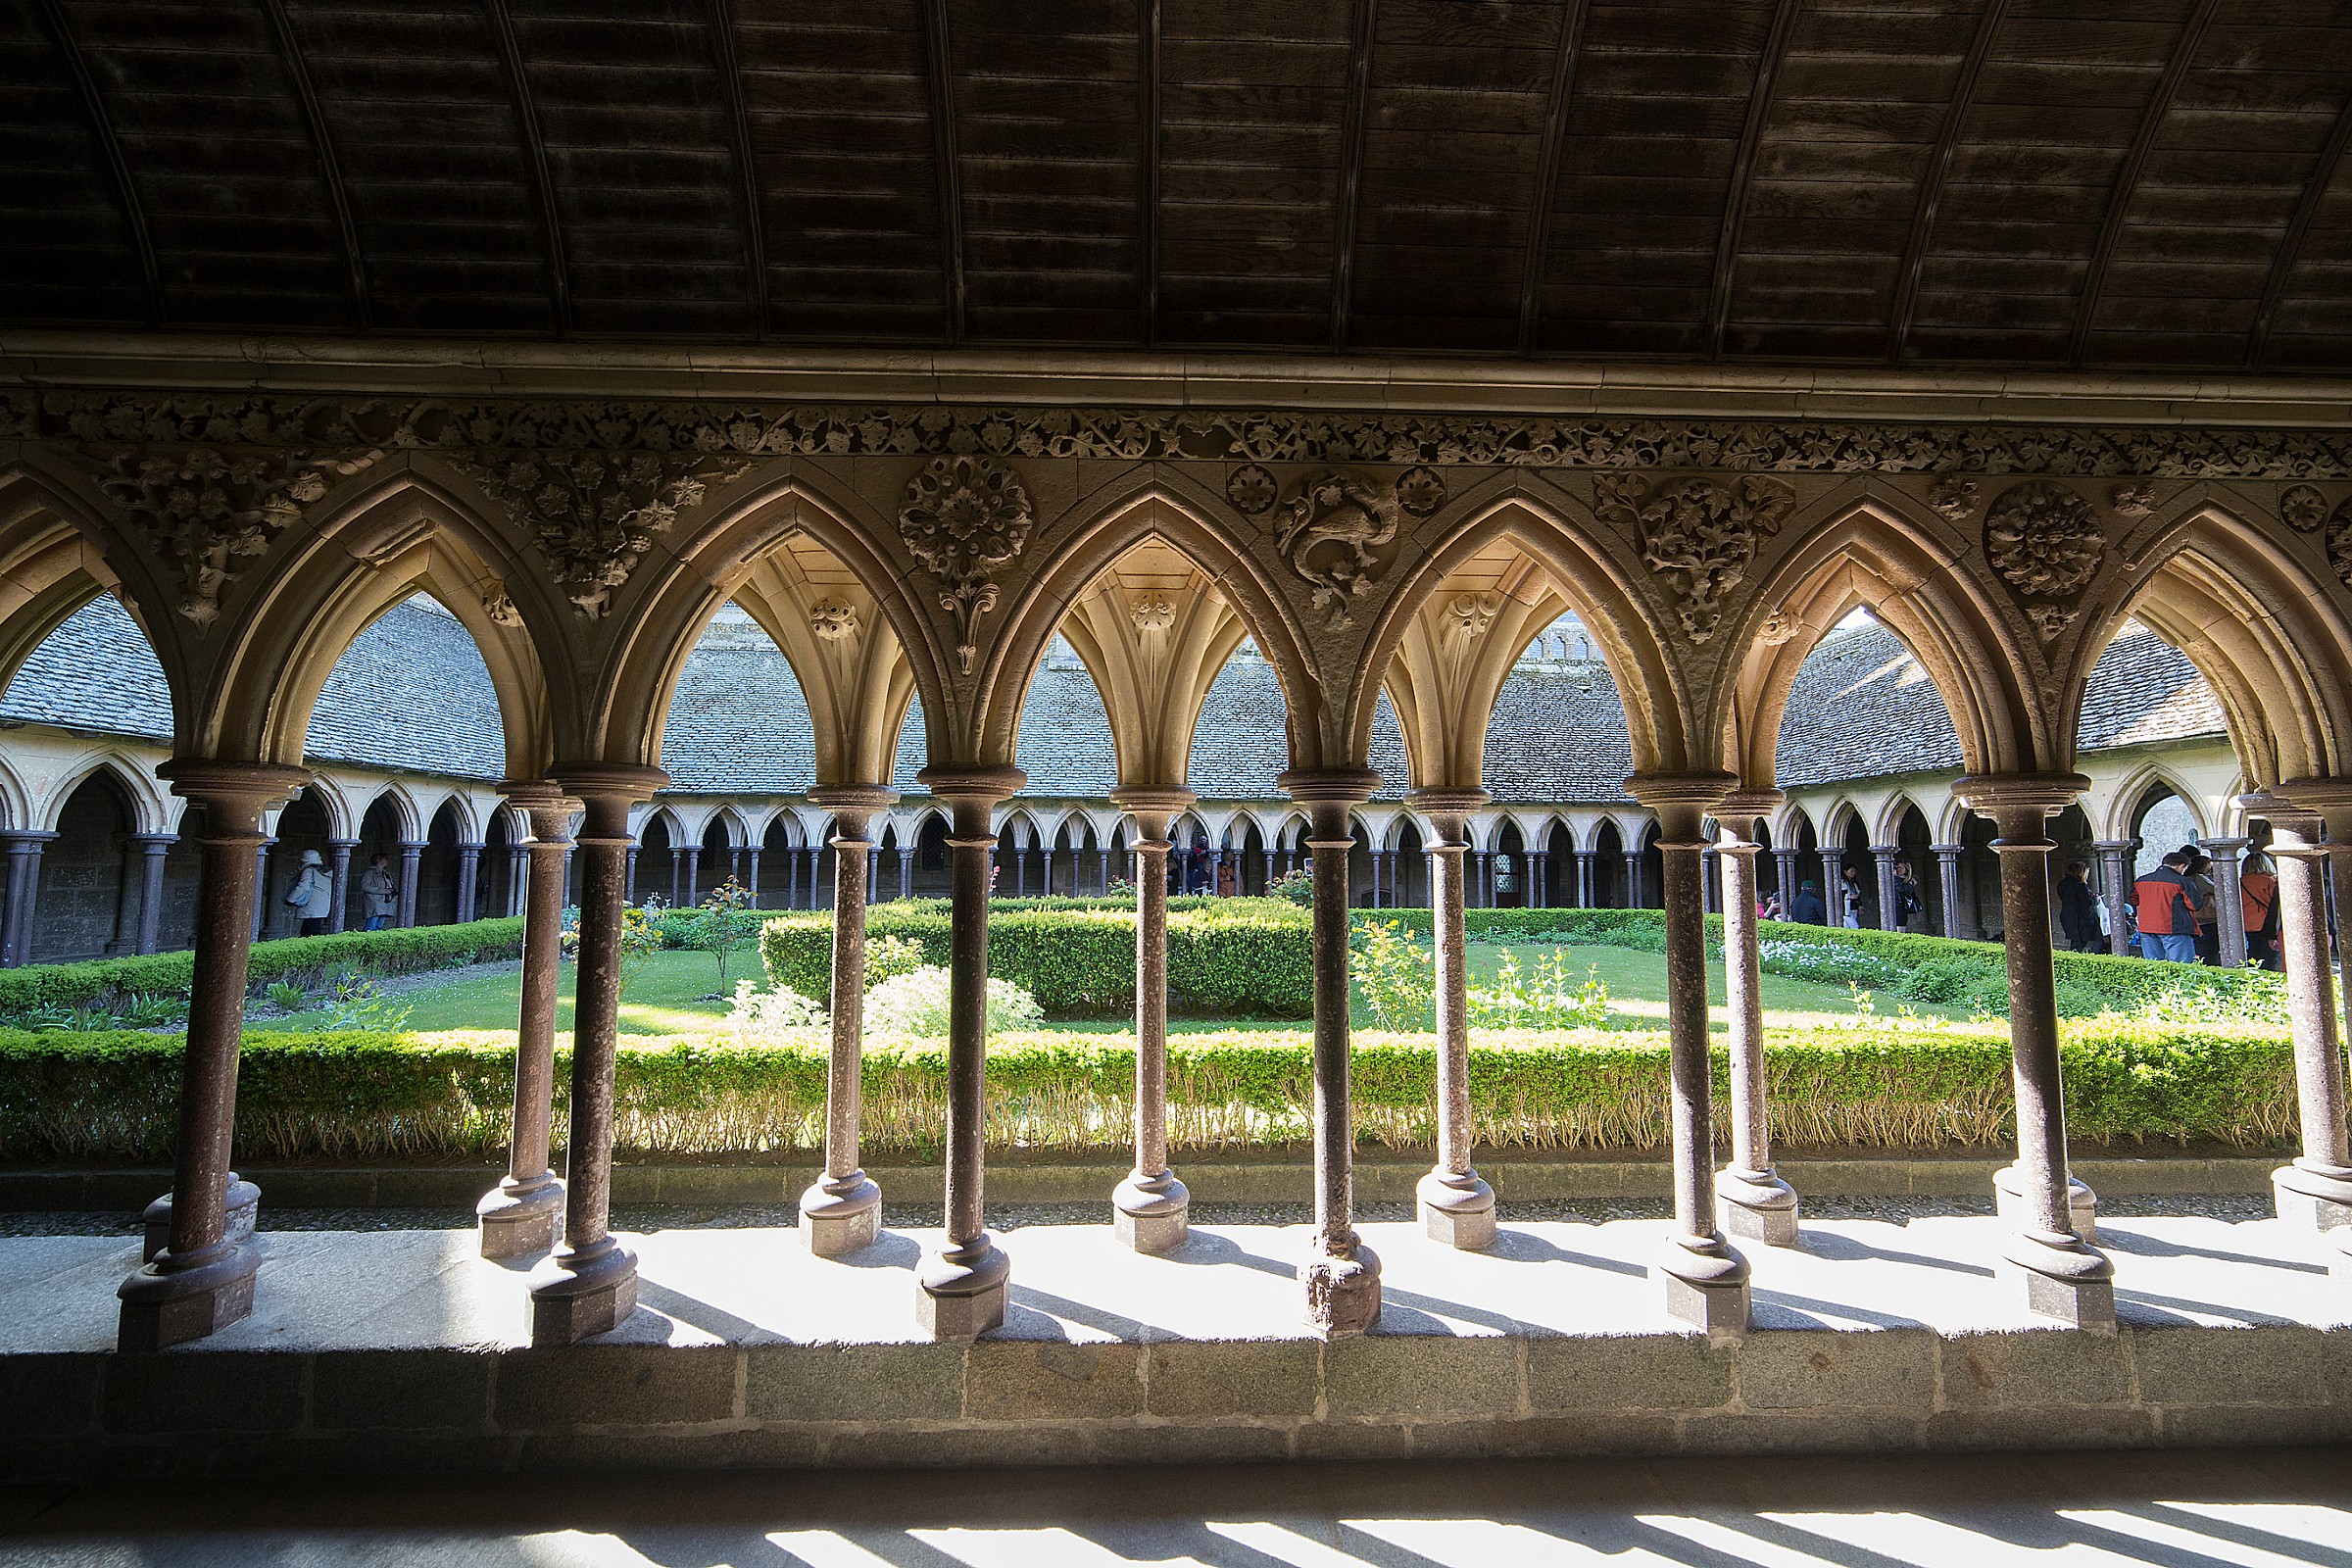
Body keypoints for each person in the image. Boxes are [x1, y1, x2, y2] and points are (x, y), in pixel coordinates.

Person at [2132, 851, 2202, 963]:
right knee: (2182, 967)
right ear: (2181, 866)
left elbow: (2134, 899)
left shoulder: (2141, 881)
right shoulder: (2182, 881)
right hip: (2174, 927)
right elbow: (2194, 905)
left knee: (2154, 967)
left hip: (2146, 927)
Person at [2240, 851, 2280, 970]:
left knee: (2253, 955)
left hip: (2248, 924)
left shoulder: (2241, 882)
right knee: (2270, 958)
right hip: (2267, 924)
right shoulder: (2271, 882)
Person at [2180, 845, 2220, 965]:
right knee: (2210, 948)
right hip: (2207, 918)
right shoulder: (2200, 877)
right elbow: (2216, 889)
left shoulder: (2187, 877)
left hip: (2194, 918)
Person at [284, 848, 334, 937]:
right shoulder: (327, 871)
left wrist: (290, 899)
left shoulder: (309, 870)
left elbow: (303, 887)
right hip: (322, 905)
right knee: (307, 931)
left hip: (311, 905)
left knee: (311, 933)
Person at [2056, 860, 2101, 953]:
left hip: (2068, 915)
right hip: (2081, 918)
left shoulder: (2063, 884)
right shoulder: (2080, 886)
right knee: (2079, 944)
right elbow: (2087, 903)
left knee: (2076, 942)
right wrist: (2095, 899)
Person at [359, 851, 398, 931]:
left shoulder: (385, 873)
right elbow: (364, 886)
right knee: (371, 926)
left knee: (379, 926)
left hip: (385, 902)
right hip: (374, 903)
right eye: (385, 859)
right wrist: (383, 891)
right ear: (379, 860)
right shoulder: (370, 872)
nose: (387, 861)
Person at [1890, 859, 1925, 933]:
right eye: (1898, 867)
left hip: (1900, 908)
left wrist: (1895, 877)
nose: (1899, 869)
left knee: (1900, 931)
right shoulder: (1892, 879)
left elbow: (1901, 890)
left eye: (1901, 868)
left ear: (1906, 870)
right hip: (1891, 908)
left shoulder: (1909, 882)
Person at [1838, 862, 1867, 929]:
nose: (1853, 873)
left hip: (1854, 908)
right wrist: (1850, 897)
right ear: (1845, 872)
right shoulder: (1843, 882)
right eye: (1851, 871)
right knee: (1855, 927)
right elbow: (1841, 895)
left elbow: (1858, 895)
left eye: (1854, 871)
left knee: (1847, 927)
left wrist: (1860, 906)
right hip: (1847, 909)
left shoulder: (1854, 883)